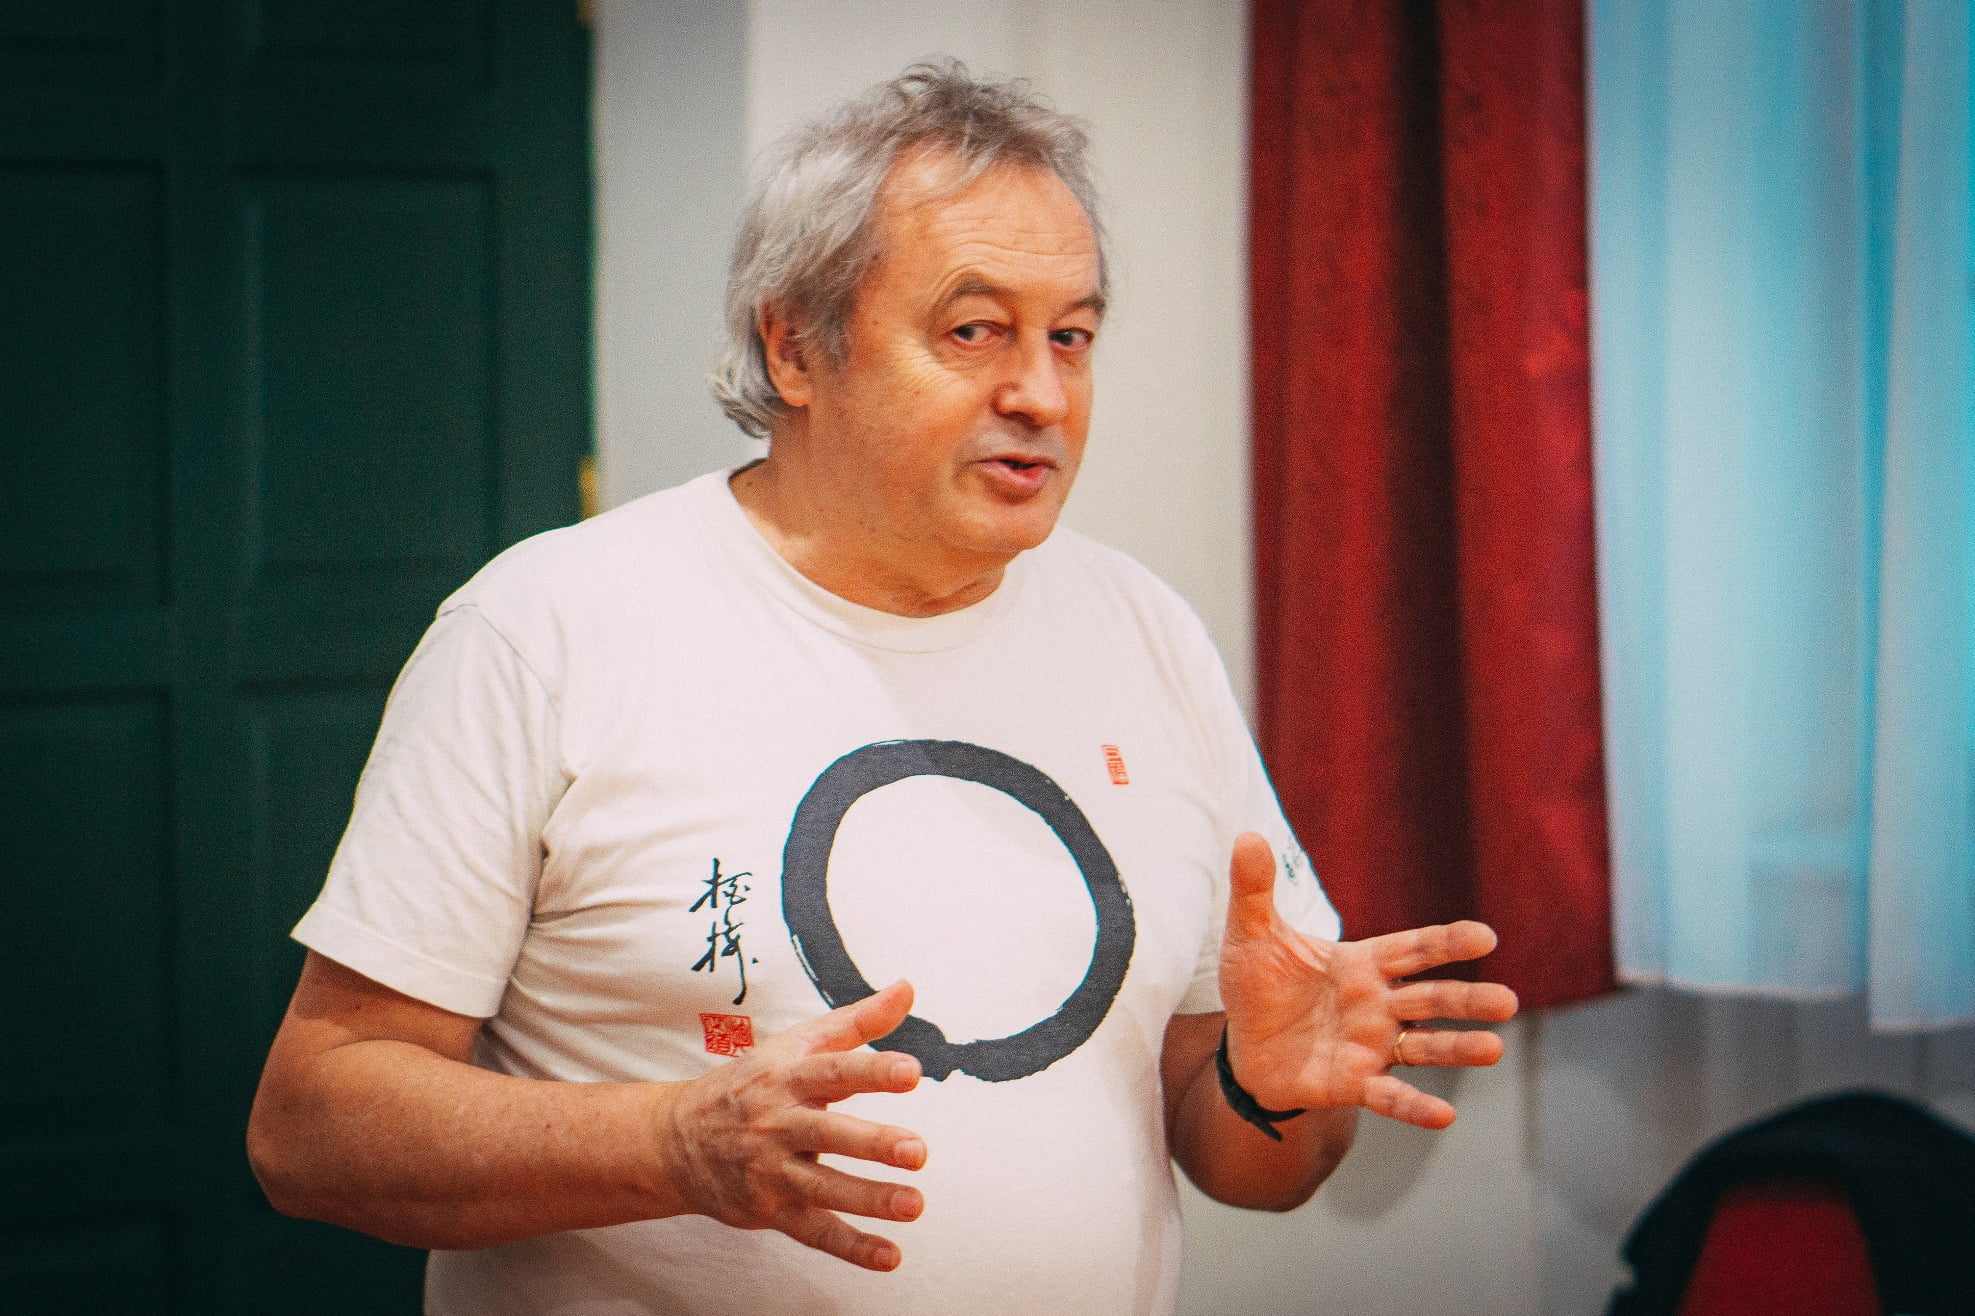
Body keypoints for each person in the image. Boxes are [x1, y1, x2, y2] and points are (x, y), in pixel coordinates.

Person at [247, 60, 1518, 1315]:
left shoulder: (1145, 630)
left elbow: (1244, 1156)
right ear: (796, 345)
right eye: (973, 331)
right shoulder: (553, 627)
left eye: (1070, 337)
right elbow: (313, 1123)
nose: (1040, 394)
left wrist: (1270, 1083)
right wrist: (670, 1144)